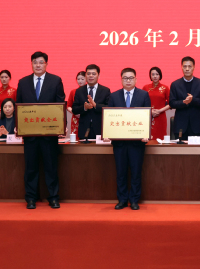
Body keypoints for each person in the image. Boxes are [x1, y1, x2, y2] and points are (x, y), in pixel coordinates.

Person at [15, 51, 65, 210]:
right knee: (30, 168)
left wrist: (60, 125)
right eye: (35, 62)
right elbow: (18, 106)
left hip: (49, 135)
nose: (38, 65)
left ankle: (53, 198)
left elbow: (60, 105)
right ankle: (31, 198)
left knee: (51, 167)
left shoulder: (55, 80)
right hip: (30, 134)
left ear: (46, 64)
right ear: (31, 64)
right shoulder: (23, 82)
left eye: (41, 62)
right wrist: (18, 125)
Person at [107, 68, 151, 210]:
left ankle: (134, 200)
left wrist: (146, 133)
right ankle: (122, 200)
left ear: (136, 80)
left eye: (131, 78)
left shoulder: (143, 95)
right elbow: (109, 117)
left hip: (137, 142)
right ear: (121, 80)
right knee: (121, 173)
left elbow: (148, 116)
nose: (128, 80)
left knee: (136, 172)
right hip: (119, 143)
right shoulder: (114, 96)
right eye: (125, 78)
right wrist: (107, 132)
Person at [169, 56, 200, 139]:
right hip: (180, 125)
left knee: (196, 148)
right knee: (179, 147)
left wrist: (193, 100)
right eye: (185, 66)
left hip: (196, 125)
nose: (187, 69)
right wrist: (183, 102)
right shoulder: (175, 84)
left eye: (189, 66)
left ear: (194, 67)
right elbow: (172, 103)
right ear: (181, 67)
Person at [71, 64, 110, 141]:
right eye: (88, 74)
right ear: (85, 76)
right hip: (84, 129)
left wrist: (96, 105)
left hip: (100, 129)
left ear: (98, 76)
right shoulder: (79, 91)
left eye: (93, 74)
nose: (91, 76)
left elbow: (109, 108)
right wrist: (84, 107)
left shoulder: (105, 90)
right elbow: (74, 109)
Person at [142, 66, 170, 141]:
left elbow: (171, 104)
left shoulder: (165, 88)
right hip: (148, 116)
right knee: (148, 138)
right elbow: (141, 103)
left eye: (157, 74)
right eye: (153, 74)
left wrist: (159, 111)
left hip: (161, 116)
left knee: (161, 138)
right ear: (150, 76)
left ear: (160, 75)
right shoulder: (145, 87)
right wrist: (150, 111)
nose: (155, 76)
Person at [66, 71, 86, 136]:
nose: (80, 81)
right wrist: (75, 112)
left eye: (82, 79)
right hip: (75, 118)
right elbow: (68, 106)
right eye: (78, 79)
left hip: (86, 117)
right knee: (75, 137)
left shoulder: (90, 91)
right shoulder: (73, 91)